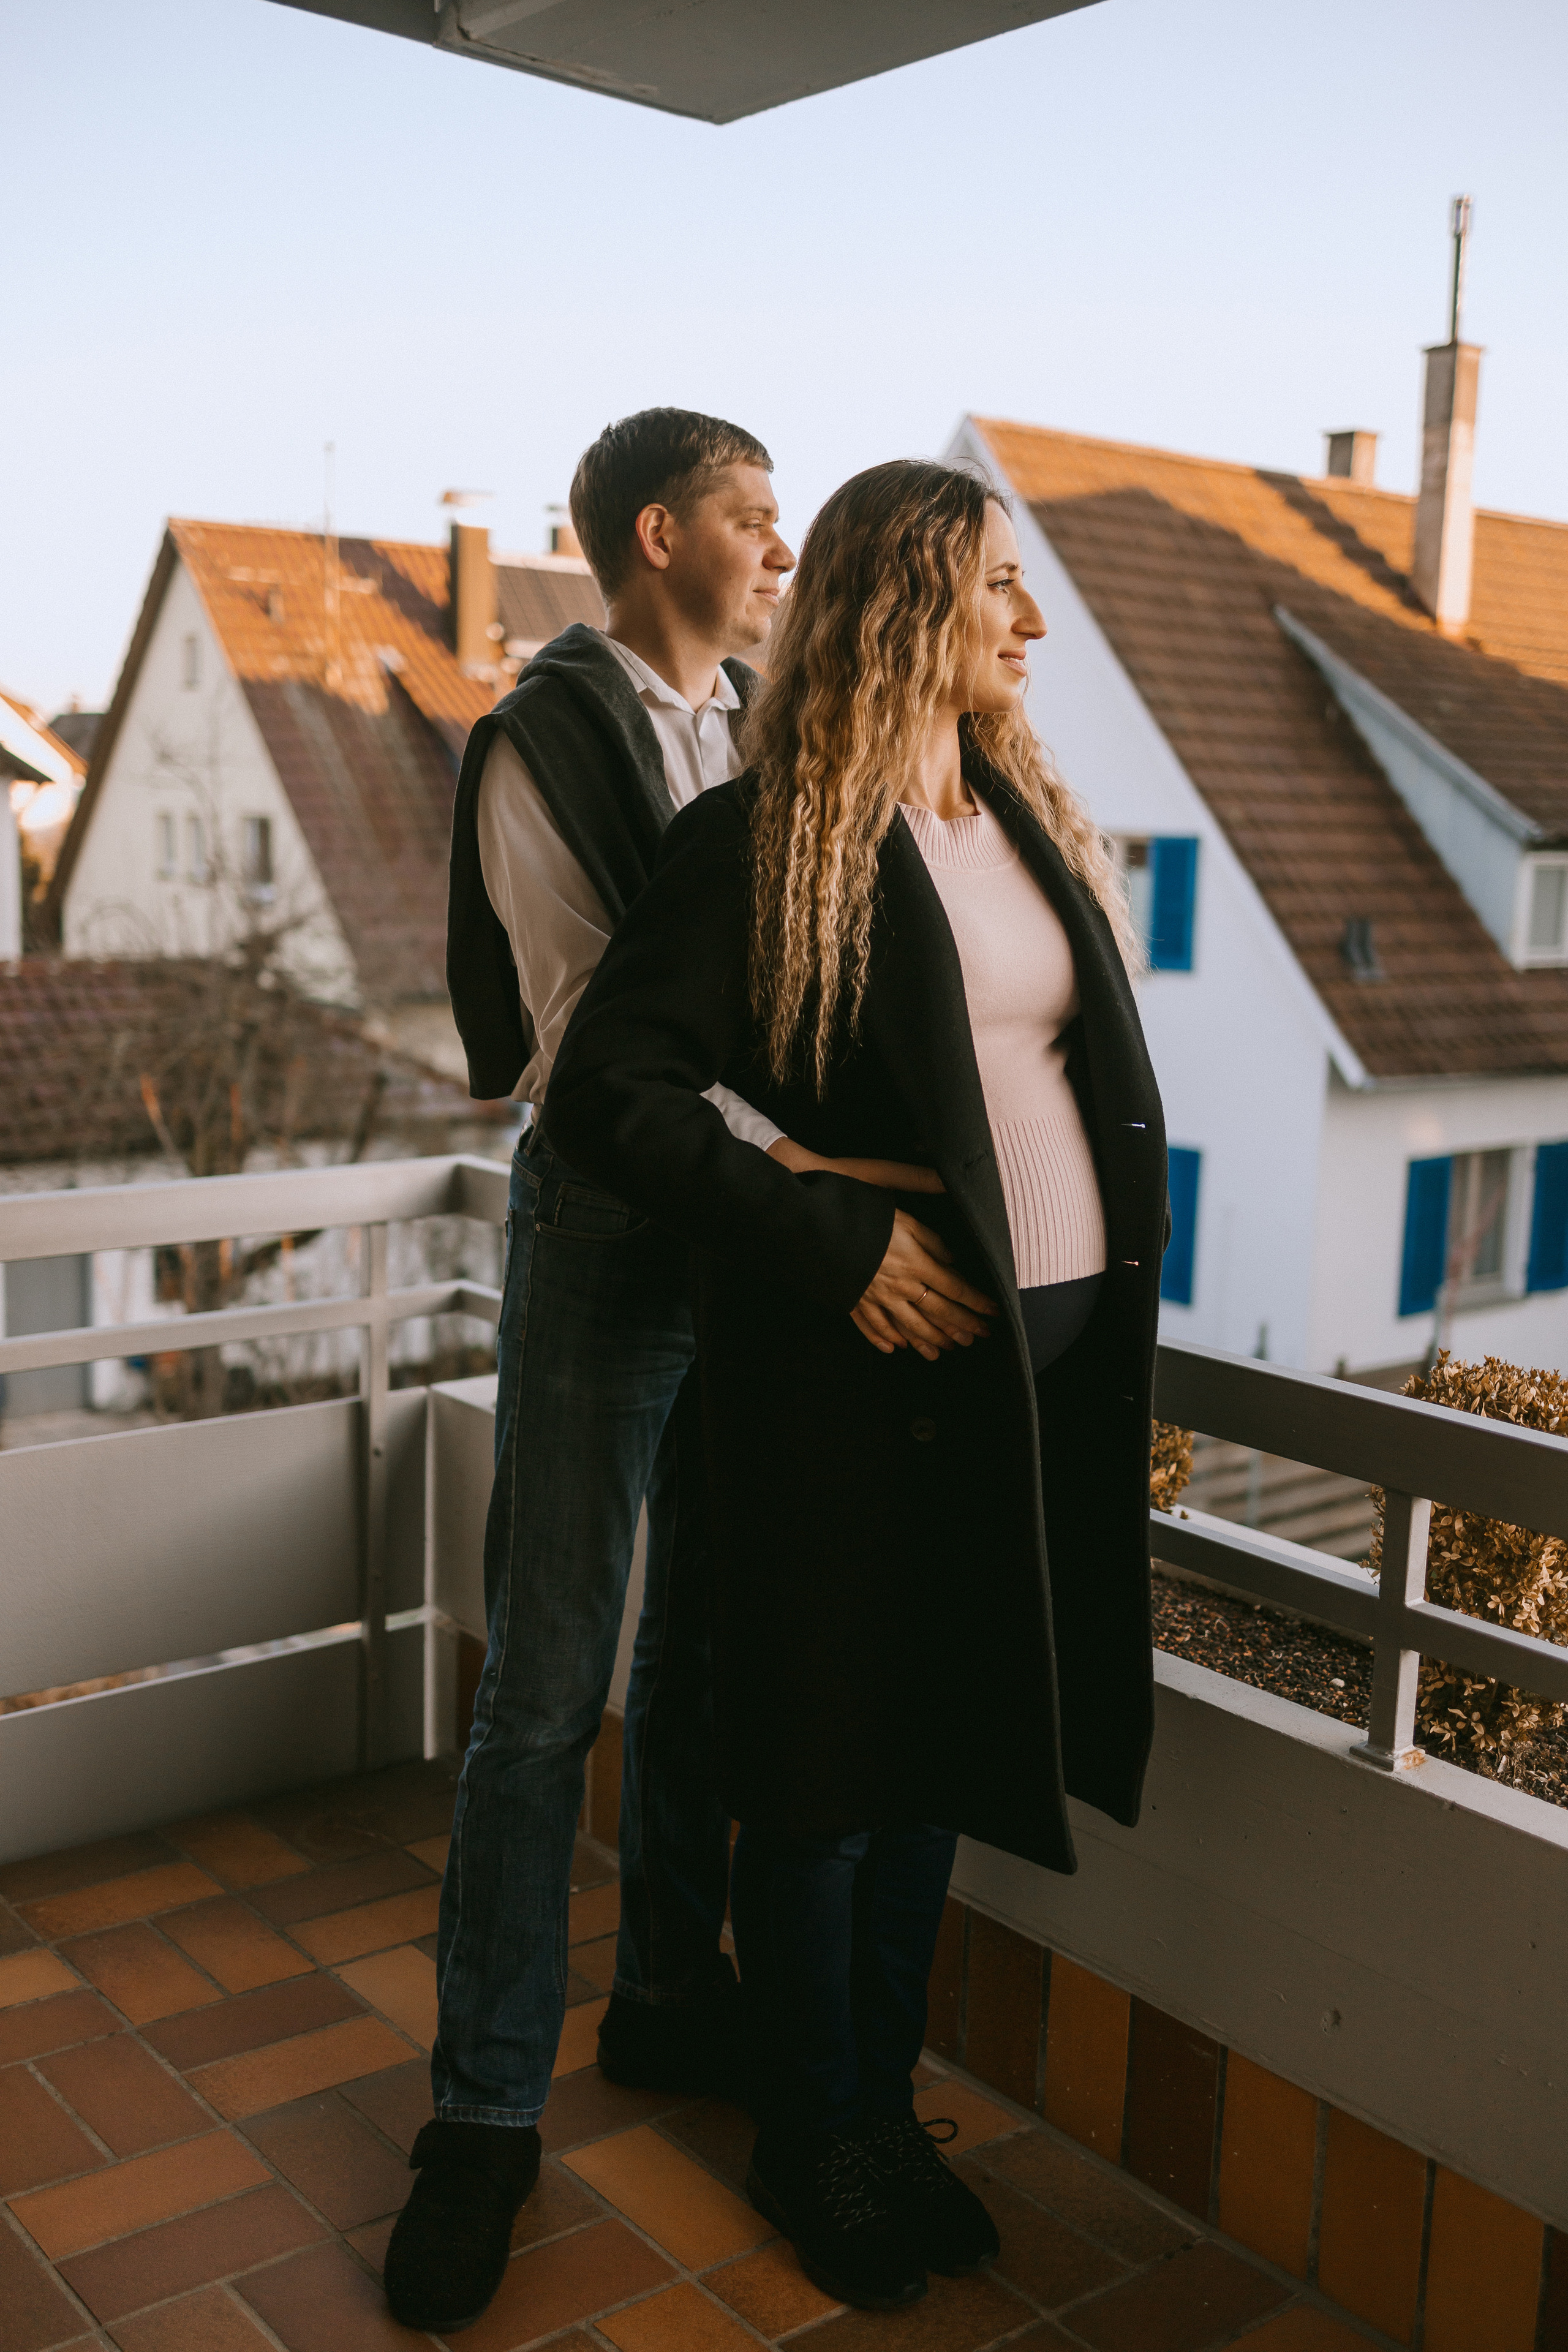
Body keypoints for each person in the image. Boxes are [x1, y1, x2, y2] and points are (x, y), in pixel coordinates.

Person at [546, 459, 1168, 2312]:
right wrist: (836, 1243)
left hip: (1020, 1388)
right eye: (1000, 588)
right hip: (850, 1377)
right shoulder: (769, 837)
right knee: (826, 1778)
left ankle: (874, 2108)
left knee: (936, 1769)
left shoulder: (1016, 818)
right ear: (910, 602)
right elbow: (609, 1096)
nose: (1031, 622)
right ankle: (817, 2134)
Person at [386, 409, 827, 2335]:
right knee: (546, 1688)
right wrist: (809, 1178)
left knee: (707, 1646)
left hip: (750, 1237)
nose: (784, 552)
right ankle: (481, 2118)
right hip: (617, 1231)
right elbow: (587, 1042)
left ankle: (664, 2001)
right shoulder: (537, 740)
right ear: (660, 536)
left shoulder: (754, 723)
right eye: (756, 520)